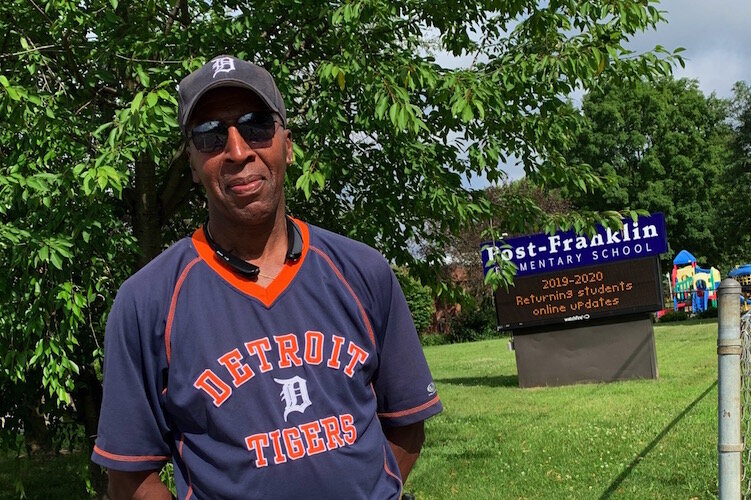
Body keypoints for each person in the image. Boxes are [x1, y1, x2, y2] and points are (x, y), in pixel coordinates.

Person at [91, 55, 442, 499]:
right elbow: (129, 477)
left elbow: (407, 421)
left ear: (287, 145)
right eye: (210, 135)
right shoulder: (147, 301)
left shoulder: (362, 271)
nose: (238, 151)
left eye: (256, 125)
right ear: (193, 164)